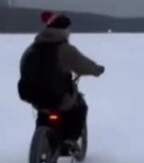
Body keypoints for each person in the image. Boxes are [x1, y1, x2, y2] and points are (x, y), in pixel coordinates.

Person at [18, 11, 105, 148]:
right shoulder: (64, 49)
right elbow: (83, 65)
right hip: (58, 98)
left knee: (44, 111)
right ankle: (70, 140)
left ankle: (41, 142)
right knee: (80, 106)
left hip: (34, 97)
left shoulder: (31, 49)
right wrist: (96, 70)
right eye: (68, 29)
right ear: (63, 30)